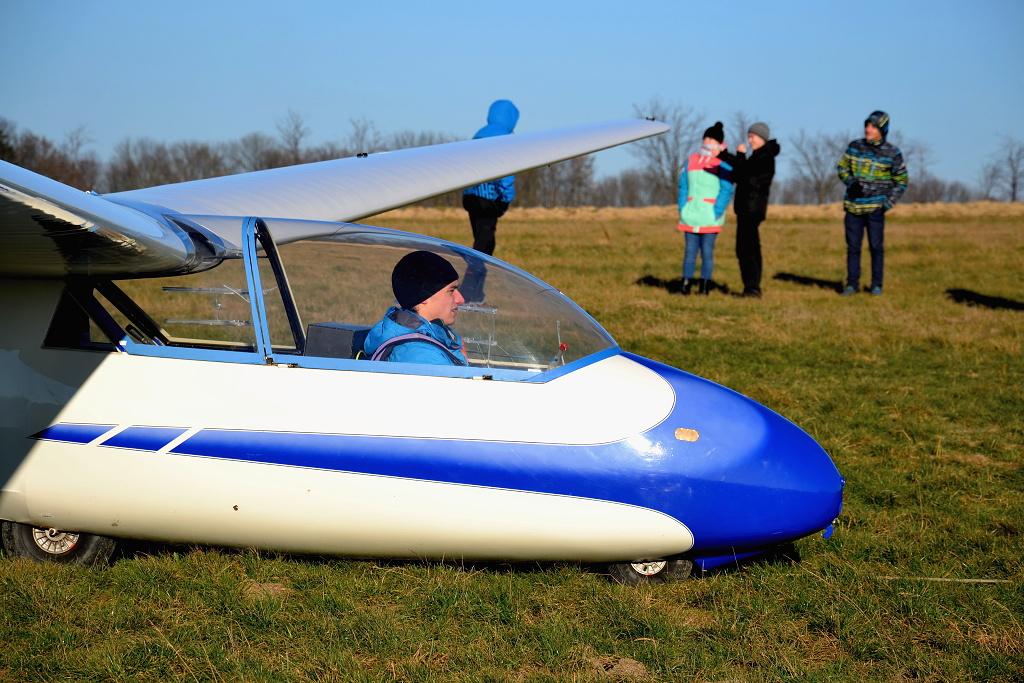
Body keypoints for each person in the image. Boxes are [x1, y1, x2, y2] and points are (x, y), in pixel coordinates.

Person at [836, 110, 909, 296]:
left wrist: (887, 204)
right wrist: (850, 182)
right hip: (853, 208)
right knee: (853, 248)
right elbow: (842, 167)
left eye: (873, 126)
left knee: (876, 247)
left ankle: (877, 285)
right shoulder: (855, 147)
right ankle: (852, 285)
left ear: (882, 130)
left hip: (876, 210)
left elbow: (901, 181)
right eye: (867, 125)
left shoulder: (893, 153)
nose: (868, 129)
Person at [363, 250, 468, 366]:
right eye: (451, 291)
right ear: (424, 296)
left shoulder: (431, 339)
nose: (460, 299)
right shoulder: (422, 356)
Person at [461, 100, 520, 302]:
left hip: (471, 195)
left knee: (482, 240)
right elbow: (507, 171)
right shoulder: (506, 139)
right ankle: (469, 290)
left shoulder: (478, 135)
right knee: (484, 244)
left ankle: (475, 291)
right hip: (490, 198)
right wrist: (506, 198)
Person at [677, 121, 735, 295]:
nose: (708, 142)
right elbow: (683, 185)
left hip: (710, 216)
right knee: (689, 252)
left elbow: (726, 189)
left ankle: (704, 286)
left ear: (719, 143)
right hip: (691, 214)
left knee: (707, 253)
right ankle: (685, 284)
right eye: (706, 138)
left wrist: (716, 211)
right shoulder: (691, 160)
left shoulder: (723, 163)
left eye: (712, 139)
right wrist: (683, 207)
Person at [732, 122, 781, 298]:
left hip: (752, 209)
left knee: (748, 248)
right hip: (745, 209)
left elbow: (745, 177)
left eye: (752, 136)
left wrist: (740, 156)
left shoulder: (765, 158)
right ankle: (750, 286)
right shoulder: (756, 156)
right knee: (744, 248)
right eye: (749, 136)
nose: (749, 140)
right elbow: (740, 174)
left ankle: (752, 287)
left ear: (762, 138)